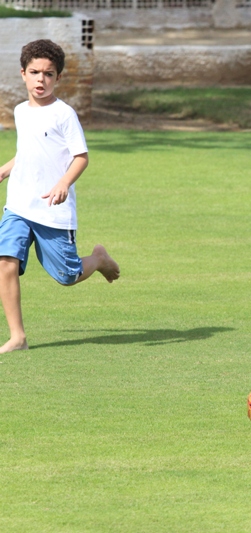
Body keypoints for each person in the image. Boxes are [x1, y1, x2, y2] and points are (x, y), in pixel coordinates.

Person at [0, 39, 120, 354]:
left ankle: (99, 259)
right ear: (23, 73)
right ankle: (18, 337)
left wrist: (64, 183)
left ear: (58, 78)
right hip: (19, 204)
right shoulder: (20, 111)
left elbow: (80, 157)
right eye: (35, 72)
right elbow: (29, 152)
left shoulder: (64, 115)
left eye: (49, 74)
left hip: (52, 209)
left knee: (67, 276)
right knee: (5, 262)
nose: (41, 79)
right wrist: (6, 168)